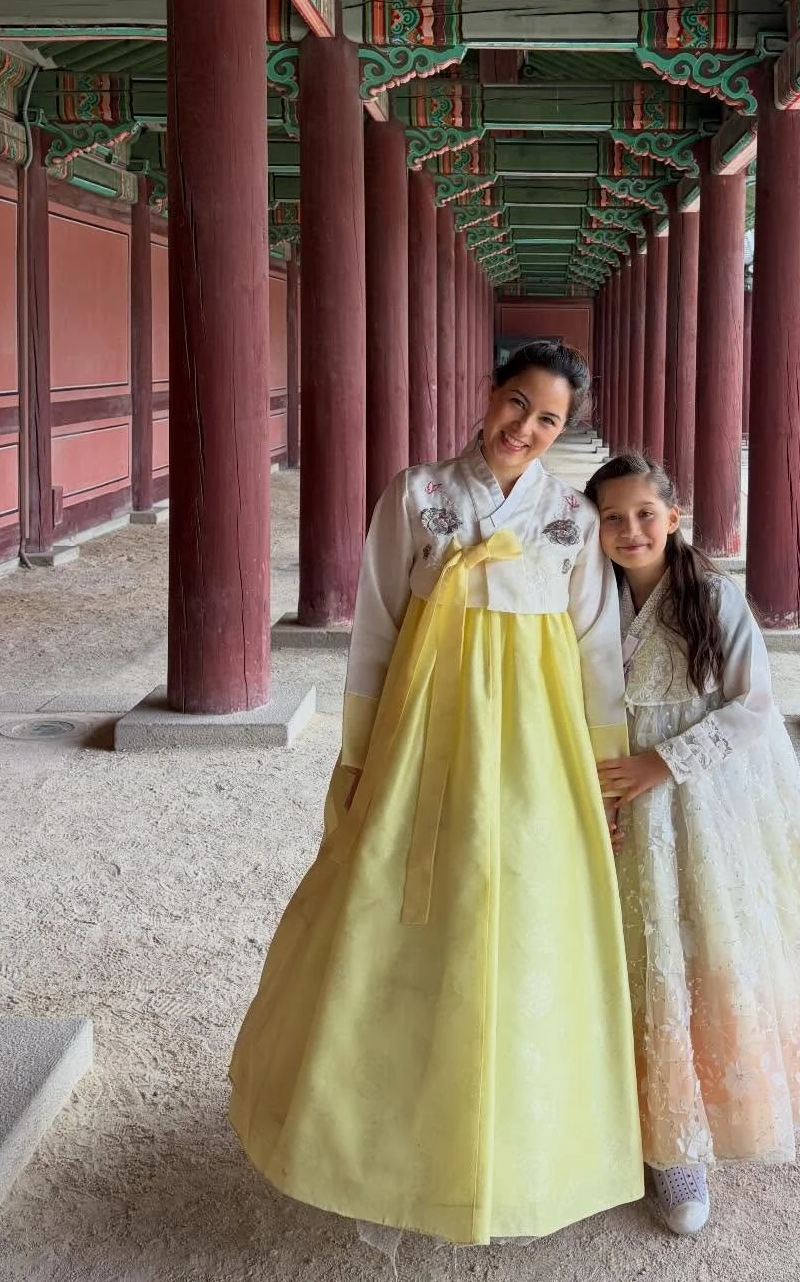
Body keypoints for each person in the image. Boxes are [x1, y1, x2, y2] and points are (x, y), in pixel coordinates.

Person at [230, 343, 643, 1245]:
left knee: (524, 927)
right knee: (406, 915)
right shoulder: (417, 495)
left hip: (535, 750)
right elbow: (376, 627)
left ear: (562, 433)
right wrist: (360, 753)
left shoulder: (570, 518)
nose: (524, 430)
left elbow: (596, 652)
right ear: (488, 393)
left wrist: (604, 772)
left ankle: (520, 1144)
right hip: (425, 730)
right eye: (517, 403)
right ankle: (385, 1139)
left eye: (548, 421)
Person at [585, 452, 800, 1239]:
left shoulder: (712, 598)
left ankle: (681, 1141)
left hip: (698, 800)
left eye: (644, 514)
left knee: (697, 949)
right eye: (611, 517)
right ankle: (610, 1123)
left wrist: (664, 762)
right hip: (607, 788)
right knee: (611, 954)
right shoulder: (586, 597)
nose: (629, 530)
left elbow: (755, 708)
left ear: (674, 515)